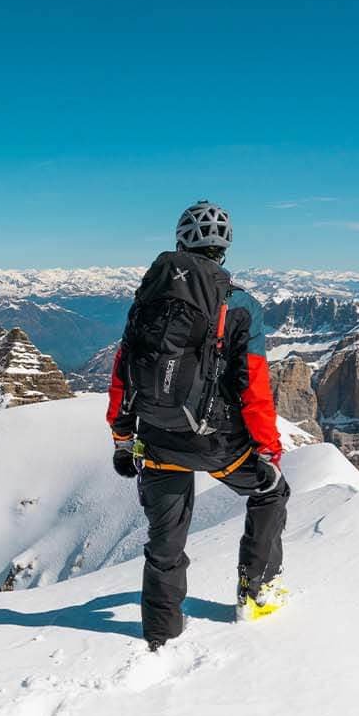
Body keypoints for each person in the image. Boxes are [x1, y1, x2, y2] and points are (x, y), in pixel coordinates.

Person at [106, 201, 289, 649]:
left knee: (165, 540)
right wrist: (269, 451)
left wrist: (122, 437)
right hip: (216, 442)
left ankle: (160, 633)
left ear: (181, 240)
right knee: (271, 492)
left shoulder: (150, 296)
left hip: (154, 437)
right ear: (224, 248)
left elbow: (124, 369)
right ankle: (255, 591)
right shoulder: (241, 304)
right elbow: (254, 386)